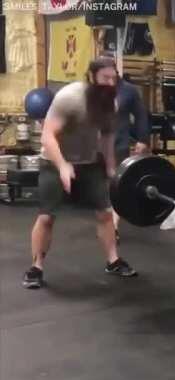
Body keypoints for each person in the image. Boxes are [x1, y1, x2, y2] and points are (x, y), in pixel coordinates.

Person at [23, 57, 137, 289]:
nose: (110, 83)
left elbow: (107, 139)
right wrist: (63, 166)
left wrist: (111, 167)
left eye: (113, 78)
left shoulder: (110, 104)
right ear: (91, 77)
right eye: (105, 78)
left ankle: (113, 260)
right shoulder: (70, 97)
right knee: (47, 216)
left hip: (89, 162)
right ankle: (36, 267)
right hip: (54, 161)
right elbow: (47, 136)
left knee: (105, 213)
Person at [113, 73, 151, 241]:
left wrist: (142, 139)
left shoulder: (128, 91)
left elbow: (141, 115)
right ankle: (107, 224)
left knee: (113, 186)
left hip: (118, 145)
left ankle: (112, 226)